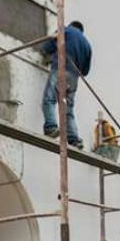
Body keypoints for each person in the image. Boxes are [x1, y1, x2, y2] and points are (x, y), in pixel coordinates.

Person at [40, 21, 92, 149]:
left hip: (60, 69)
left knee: (49, 99)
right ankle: (74, 139)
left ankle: (51, 127)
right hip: (73, 78)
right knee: (68, 109)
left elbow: (49, 45)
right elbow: (85, 71)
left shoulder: (66, 30)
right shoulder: (87, 45)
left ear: (71, 25)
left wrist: (45, 53)